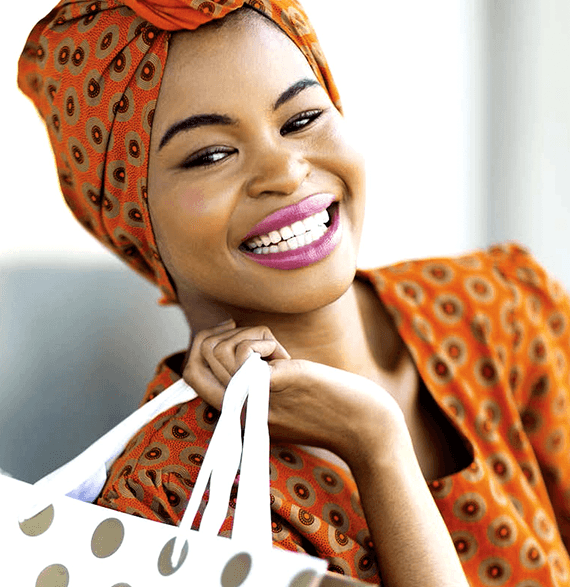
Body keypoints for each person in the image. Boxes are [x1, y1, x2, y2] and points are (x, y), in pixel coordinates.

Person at [18, 1, 570, 585]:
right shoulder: (172, 505)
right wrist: (376, 443)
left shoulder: (501, 307)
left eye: (302, 119)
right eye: (210, 155)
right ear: (135, 221)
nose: (283, 171)